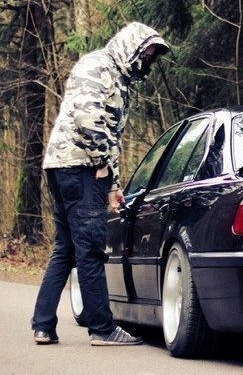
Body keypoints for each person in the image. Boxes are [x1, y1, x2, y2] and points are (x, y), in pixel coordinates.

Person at [31, 22, 169, 346]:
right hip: (79, 167)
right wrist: (103, 167)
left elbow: (111, 137)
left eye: (152, 56)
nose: (148, 60)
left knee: (66, 248)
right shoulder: (98, 66)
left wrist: (114, 185)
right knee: (91, 249)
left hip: (68, 165)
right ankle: (102, 329)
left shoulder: (118, 77)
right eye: (147, 53)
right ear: (132, 47)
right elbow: (88, 121)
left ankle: (43, 325)